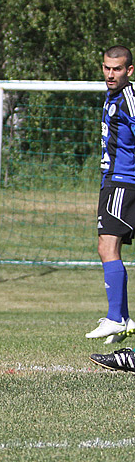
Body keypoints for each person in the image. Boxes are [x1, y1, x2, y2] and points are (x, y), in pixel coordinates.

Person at [87, 46, 135, 350]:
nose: (110, 74)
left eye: (117, 69)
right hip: (113, 181)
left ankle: (116, 316)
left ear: (129, 71)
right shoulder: (112, 97)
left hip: (124, 183)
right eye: (106, 68)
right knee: (107, 245)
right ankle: (124, 319)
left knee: (107, 245)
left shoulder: (130, 99)